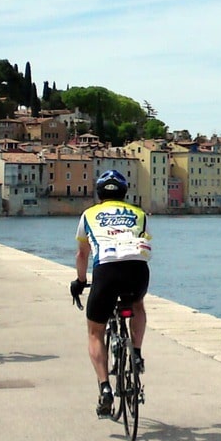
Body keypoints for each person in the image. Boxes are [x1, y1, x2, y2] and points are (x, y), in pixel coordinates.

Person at [70, 170, 151, 417]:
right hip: (137, 269)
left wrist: (80, 281)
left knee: (95, 331)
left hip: (106, 270)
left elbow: (82, 254)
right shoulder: (139, 213)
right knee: (137, 305)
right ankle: (136, 353)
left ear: (99, 193)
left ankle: (105, 388)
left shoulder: (88, 215)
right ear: (125, 193)